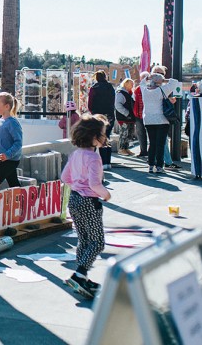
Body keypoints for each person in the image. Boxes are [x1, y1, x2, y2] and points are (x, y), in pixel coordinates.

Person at [61, 114, 112, 299]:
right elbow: (94, 184)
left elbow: (65, 178)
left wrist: (76, 184)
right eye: (103, 133)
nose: (105, 137)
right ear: (94, 136)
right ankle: (79, 274)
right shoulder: (93, 158)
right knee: (97, 242)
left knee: (83, 239)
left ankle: (81, 275)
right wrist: (106, 195)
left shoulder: (75, 154)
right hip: (89, 202)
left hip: (73, 199)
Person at [140, 71, 177, 174]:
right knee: (160, 144)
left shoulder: (144, 90)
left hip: (148, 119)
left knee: (152, 143)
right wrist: (163, 80)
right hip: (161, 120)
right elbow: (174, 82)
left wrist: (149, 77)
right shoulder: (162, 90)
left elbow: (142, 82)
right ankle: (159, 166)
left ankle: (151, 165)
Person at [87, 70, 116, 170]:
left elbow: (90, 104)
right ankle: (107, 162)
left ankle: (97, 162)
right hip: (109, 115)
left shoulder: (94, 88)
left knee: (97, 138)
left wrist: (93, 113)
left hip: (98, 116)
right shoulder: (110, 87)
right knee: (106, 137)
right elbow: (113, 100)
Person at [0, 92, 22, 188]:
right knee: (14, 183)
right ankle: (22, 201)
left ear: (7, 106)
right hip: (5, 159)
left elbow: (18, 143)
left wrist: (7, 155)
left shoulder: (13, 123)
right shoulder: (0, 120)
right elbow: (1, 138)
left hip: (10, 159)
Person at [114, 78, 137, 156]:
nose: (132, 86)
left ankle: (126, 148)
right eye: (131, 84)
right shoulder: (120, 93)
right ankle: (121, 149)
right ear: (126, 84)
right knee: (124, 133)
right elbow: (117, 105)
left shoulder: (129, 93)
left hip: (129, 117)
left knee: (129, 134)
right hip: (124, 117)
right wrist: (126, 113)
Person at [133, 71, 150, 159]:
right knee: (140, 133)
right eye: (143, 78)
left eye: (146, 77)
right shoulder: (137, 89)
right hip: (139, 114)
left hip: (148, 114)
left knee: (151, 134)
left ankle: (151, 152)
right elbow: (134, 100)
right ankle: (143, 151)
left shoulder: (151, 88)